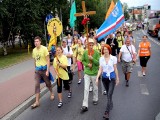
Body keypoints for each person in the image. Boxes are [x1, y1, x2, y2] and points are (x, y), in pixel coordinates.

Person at [96, 44, 119, 119]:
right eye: (104, 49)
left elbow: (115, 69)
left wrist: (117, 78)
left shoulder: (113, 58)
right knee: (108, 95)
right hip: (104, 78)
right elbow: (100, 69)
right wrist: (97, 78)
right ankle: (110, 103)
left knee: (109, 94)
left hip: (112, 78)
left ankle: (107, 112)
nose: (105, 51)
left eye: (107, 49)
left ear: (109, 50)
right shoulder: (101, 59)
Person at [31, 36, 54, 109]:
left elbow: (48, 60)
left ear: (40, 42)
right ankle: (37, 101)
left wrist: (48, 70)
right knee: (36, 84)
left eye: (37, 41)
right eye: (35, 41)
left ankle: (51, 93)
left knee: (48, 83)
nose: (36, 43)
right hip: (38, 70)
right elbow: (34, 60)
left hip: (44, 69)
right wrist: (35, 68)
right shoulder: (34, 50)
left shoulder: (44, 49)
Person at [81, 38, 100, 113]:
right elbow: (83, 61)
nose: (91, 46)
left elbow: (98, 63)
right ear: (88, 45)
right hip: (87, 73)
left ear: (94, 45)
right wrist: (87, 64)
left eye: (92, 45)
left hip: (94, 73)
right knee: (86, 89)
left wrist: (92, 59)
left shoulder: (97, 53)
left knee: (95, 88)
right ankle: (85, 105)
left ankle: (95, 99)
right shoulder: (85, 52)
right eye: (90, 45)